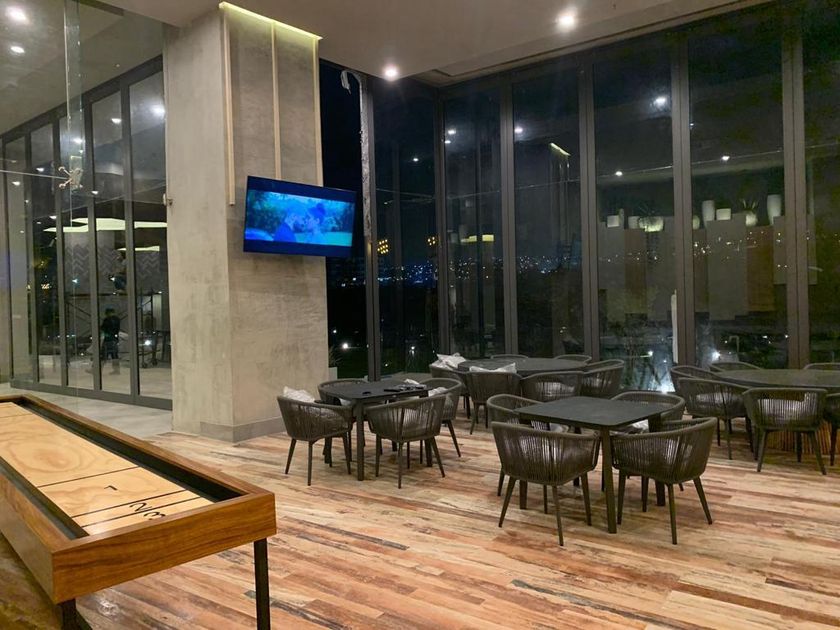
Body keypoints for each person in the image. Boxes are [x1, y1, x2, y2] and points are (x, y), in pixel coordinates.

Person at [101, 307, 121, 375]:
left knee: (104, 355)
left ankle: (97, 369)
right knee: (114, 355)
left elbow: (103, 328)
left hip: (108, 340)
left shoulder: (107, 319)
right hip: (114, 339)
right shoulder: (117, 319)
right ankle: (116, 370)